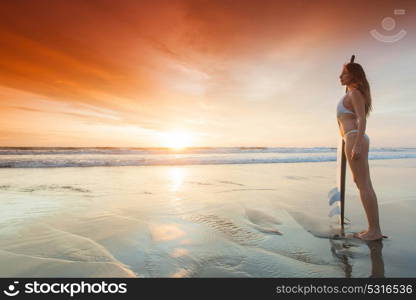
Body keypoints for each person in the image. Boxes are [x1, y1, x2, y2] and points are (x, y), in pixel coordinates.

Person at [337, 62, 386, 241]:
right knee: (362, 183)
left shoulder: (355, 93)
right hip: (351, 138)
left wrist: (356, 144)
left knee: (364, 185)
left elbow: (361, 119)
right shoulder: (352, 93)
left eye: (344, 73)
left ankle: (374, 231)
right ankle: (373, 229)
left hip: (354, 137)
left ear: (353, 75)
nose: (340, 76)